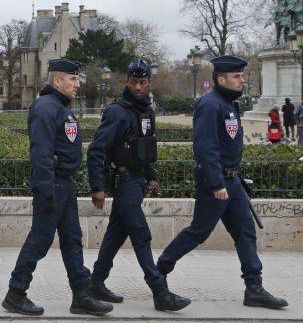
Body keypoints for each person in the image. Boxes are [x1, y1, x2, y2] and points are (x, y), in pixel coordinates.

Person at [156, 55, 288, 309]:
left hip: (232, 180)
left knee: (245, 231)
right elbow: (206, 147)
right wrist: (216, 183)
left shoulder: (228, 104)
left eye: (241, 76)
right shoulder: (210, 105)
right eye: (237, 76)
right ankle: (158, 272)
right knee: (199, 231)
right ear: (221, 79)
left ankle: (254, 287)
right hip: (214, 181)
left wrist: (232, 178)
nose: (242, 80)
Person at [3, 59, 112, 317]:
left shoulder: (61, 107)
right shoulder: (45, 107)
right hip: (52, 184)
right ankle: (15, 293)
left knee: (73, 240)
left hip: (65, 184)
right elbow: (40, 153)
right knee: (39, 241)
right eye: (73, 79)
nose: (77, 84)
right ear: (57, 81)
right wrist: (46, 190)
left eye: (77, 79)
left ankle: (81, 295)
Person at [87, 60, 190, 311]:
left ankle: (95, 282)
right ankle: (159, 291)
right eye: (133, 82)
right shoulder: (117, 112)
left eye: (143, 82)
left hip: (137, 181)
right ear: (127, 82)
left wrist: (151, 175)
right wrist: (97, 187)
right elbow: (96, 150)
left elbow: (146, 147)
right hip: (123, 182)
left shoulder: (146, 111)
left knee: (115, 234)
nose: (138, 87)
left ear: (149, 83)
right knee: (141, 235)